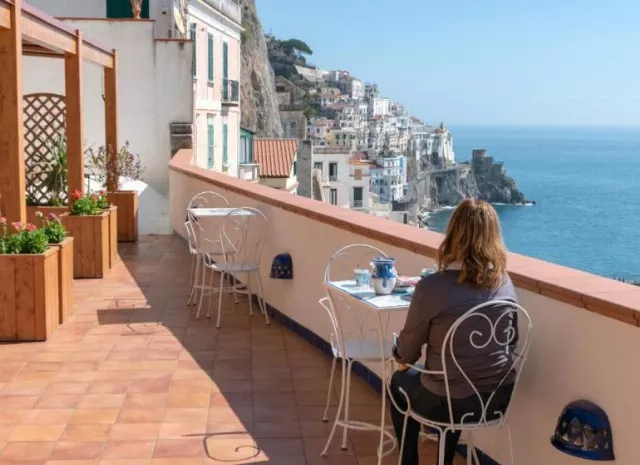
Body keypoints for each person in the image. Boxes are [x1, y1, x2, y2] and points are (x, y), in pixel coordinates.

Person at [390, 199, 519, 465]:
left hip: (451, 402)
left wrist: (401, 357)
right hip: (496, 398)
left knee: (399, 384)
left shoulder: (432, 287)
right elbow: (511, 340)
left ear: (454, 234)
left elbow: (406, 354)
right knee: (454, 379)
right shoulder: (505, 284)